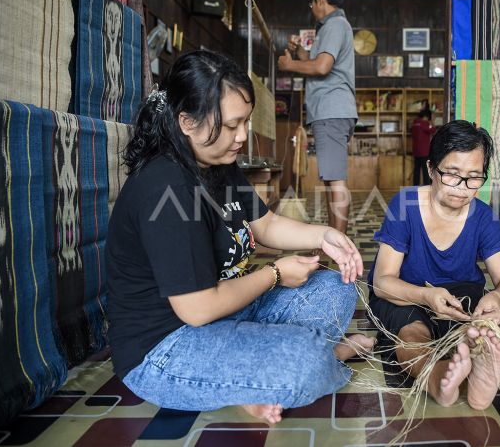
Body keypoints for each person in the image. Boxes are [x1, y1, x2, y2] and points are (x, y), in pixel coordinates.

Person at [106, 50, 374, 424]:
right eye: (232, 126)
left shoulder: (215, 163)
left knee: (337, 288)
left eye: (245, 122)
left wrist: (325, 233)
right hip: (168, 347)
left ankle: (247, 376)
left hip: (226, 313)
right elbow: (197, 310)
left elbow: (265, 225)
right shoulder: (166, 187)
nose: (243, 136)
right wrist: (275, 274)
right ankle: (323, 358)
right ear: (187, 121)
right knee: (304, 361)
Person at [368, 120, 500, 409]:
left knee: (476, 332)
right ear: (430, 169)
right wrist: (425, 295)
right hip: (404, 293)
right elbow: (383, 281)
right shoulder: (406, 206)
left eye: (474, 177)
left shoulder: (484, 216)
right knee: (412, 333)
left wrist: (497, 298)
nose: (462, 188)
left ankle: (479, 371)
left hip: (459, 296)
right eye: (451, 175)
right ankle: (438, 380)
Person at [278, 0, 357, 235]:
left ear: (320, 0)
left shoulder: (334, 25)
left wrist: (290, 66)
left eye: (311, 3)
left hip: (332, 110)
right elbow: (316, 62)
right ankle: (334, 239)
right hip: (331, 110)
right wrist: (301, 52)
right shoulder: (332, 27)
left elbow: (322, 67)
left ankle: (340, 246)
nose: (311, 8)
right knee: (331, 179)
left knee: (335, 181)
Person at [411, 105, 436, 185]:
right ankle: (427, 186)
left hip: (416, 151)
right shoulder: (424, 123)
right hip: (424, 151)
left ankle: (415, 186)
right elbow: (432, 130)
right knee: (426, 170)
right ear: (426, 116)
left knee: (416, 170)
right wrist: (432, 123)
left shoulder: (415, 122)